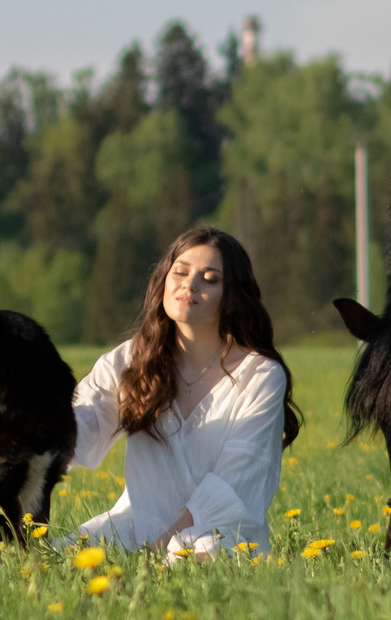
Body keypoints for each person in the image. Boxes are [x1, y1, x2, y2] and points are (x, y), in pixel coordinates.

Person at [69, 227, 302, 558]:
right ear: (164, 280)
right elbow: (77, 426)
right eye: (180, 272)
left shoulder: (260, 375)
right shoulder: (130, 360)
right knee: (60, 559)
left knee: (192, 559)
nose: (190, 284)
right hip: (137, 526)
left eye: (210, 279)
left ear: (232, 296)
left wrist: (158, 549)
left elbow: (232, 489)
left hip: (220, 535)